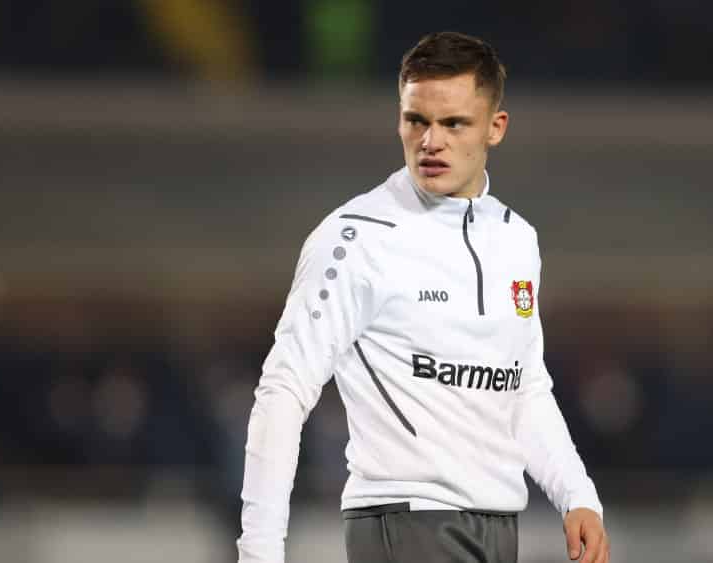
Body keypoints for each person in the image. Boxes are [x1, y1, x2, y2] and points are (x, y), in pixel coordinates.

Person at [237, 31, 609, 563]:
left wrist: (577, 494)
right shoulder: (355, 239)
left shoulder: (517, 239)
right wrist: (259, 552)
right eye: (416, 121)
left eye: (454, 123)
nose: (431, 141)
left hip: (498, 523)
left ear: (495, 127)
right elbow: (282, 390)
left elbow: (523, 384)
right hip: (406, 520)